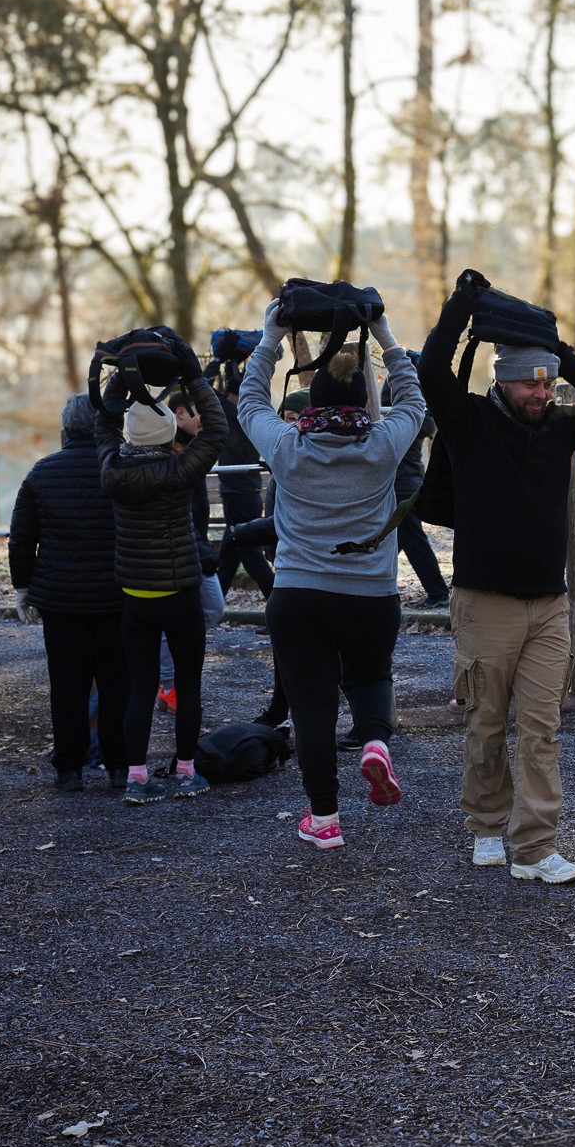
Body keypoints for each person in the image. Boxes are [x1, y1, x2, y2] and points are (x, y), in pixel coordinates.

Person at [418, 271, 575, 882]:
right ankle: (486, 825)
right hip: (484, 602)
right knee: (487, 723)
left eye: (548, 382)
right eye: (530, 381)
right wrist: (461, 306)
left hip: (548, 605)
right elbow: (433, 369)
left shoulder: (562, 427)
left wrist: (567, 358)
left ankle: (536, 847)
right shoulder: (467, 421)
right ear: (501, 379)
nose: (542, 391)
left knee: (541, 730)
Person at [239, 307, 425, 850]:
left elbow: (250, 399)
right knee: (369, 677)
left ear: (312, 403)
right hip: (370, 595)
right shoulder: (384, 446)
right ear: (363, 404)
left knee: (311, 707)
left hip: (298, 597)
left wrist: (272, 337)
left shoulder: (287, 447)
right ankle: (374, 742)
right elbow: (412, 399)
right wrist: (387, 337)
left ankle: (324, 821)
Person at [96, 340, 228, 802]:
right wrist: (194, 375)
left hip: (136, 598)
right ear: (169, 429)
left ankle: (136, 778)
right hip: (180, 596)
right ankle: (187, 772)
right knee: (187, 684)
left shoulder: (112, 472)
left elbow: (104, 424)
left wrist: (119, 378)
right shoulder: (180, 472)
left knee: (140, 688)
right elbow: (215, 431)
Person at [8, 392, 130, 791]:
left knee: (67, 686)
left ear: (65, 429)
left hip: (61, 600)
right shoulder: (121, 470)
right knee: (117, 684)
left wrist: (22, 587)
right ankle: (118, 765)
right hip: (117, 595)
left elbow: (22, 539)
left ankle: (69, 769)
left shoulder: (41, 473)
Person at [155, 389, 226, 715]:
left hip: (194, 548)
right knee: (196, 613)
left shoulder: (191, 449)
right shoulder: (171, 454)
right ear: (180, 413)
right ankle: (168, 685)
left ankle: (169, 678)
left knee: (211, 609)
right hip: (180, 553)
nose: (205, 420)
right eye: (200, 412)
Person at [383, 357, 450, 607]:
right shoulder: (419, 406)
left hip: (403, 483)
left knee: (412, 539)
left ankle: (438, 593)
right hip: (406, 480)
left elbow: (383, 407)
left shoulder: (408, 404)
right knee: (395, 540)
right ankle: (378, 585)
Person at [214, 360, 275, 600]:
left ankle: (276, 600)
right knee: (230, 556)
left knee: (250, 554)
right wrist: (233, 368)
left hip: (238, 496)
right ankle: (214, 606)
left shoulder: (232, 414)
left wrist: (218, 364)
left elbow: (211, 395)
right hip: (244, 493)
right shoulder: (251, 416)